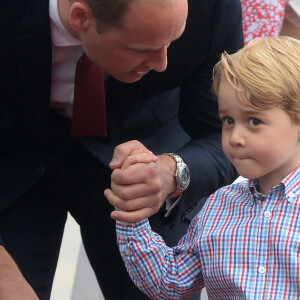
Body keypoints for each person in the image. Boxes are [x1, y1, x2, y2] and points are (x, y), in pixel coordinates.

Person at [0, 0, 243, 299]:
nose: (163, 63)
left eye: (172, 41)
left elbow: (225, 133)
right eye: (143, 49)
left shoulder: (211, 8)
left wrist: (172, 171)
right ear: (80, 17)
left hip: (141, 160)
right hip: (13, 158)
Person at [111, 36, 300, 299]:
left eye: (254, 121)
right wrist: (133, 204)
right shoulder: (217, 208)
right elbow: (170, 280)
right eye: (228, 120)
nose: (235, 137)